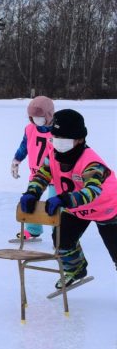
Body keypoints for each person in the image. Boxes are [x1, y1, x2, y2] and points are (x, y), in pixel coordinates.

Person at [19, 109, 117, 289]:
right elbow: (42, 175)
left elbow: (92, 191)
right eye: (55, 137)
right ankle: (76, 268)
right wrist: (32, 192)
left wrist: (64, 200)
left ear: (79, 139)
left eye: (63, 138)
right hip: (77, 208)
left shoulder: (92, 163)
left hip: (108, 208)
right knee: (61, 239)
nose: (58, 142)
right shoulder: (54, 155)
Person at [10, 96, 56, 242]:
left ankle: (60, 233)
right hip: (36, 173)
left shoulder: (58, 131)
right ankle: (32, 230)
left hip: (56, 174)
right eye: (33, 117)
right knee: (30, 198)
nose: (36, 119)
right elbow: (24, 146)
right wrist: (16, 160)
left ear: (48, 115)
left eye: (40, 116)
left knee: (54, 202)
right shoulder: (30, 129)